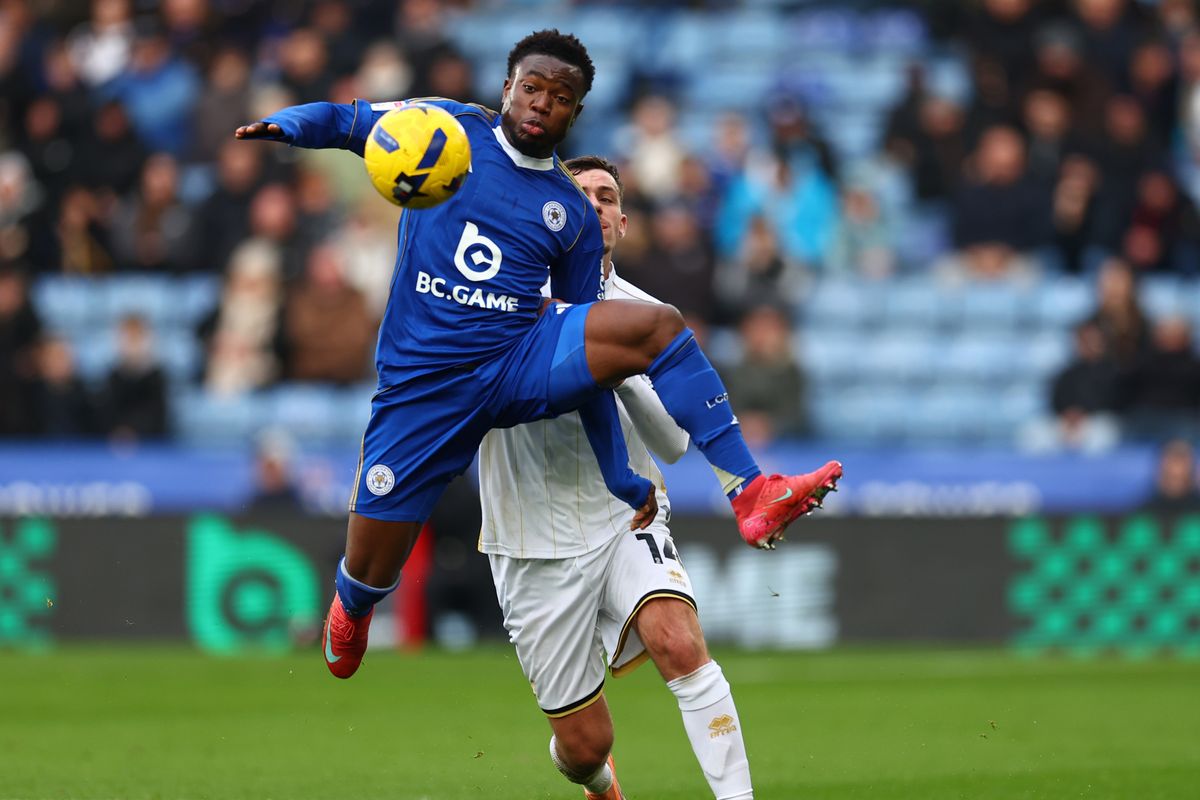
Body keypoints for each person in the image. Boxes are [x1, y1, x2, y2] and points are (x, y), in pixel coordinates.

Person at [235, 30, 841, 696]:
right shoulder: (445, 131)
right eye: (531, 88)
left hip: (514, 362)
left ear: (575, 112)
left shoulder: (572, 216)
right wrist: (288, 127)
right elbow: (350, 122)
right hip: (423, 387)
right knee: (373, 562)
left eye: (560, 97)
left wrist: (618, 473)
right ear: (507, 88)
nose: (540, 105)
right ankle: (351, 604)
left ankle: (749, 491)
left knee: (659, 326)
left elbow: (591, 357)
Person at [479, 156, 753, 799]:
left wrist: (614, 362)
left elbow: (676, 442)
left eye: (608, 197)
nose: (597, 205)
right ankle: (597, 782)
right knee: (584, 747)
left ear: (623, 223)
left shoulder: (650, 315)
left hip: (624, 514)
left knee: (678, 642)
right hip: (528, 537)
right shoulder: (498, 301)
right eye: (583, 195)